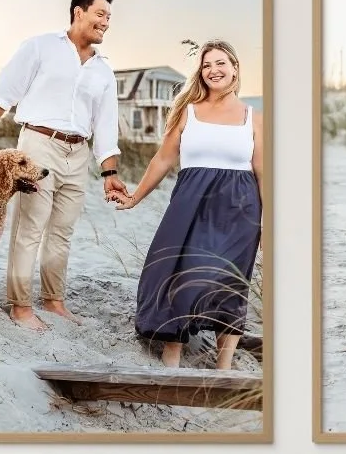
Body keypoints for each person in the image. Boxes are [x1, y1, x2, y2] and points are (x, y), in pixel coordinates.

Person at [0, 0, 126, 329]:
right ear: (78, 12)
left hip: (78, 153)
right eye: (100, 14)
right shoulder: (40, 47)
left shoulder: (103, 72)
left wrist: (109, 171)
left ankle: (53, 301)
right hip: (37, 145)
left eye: (109, 17)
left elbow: (106, 125)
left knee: (62, 232)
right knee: (29, 228)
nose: (106, 23)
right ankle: (20, 306)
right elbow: (4, 93)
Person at [111, 41, 262, 371]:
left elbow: (264, 173)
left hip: (239, 211)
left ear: (235, 68)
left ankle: (224, 366)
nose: (214, 70)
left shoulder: (254, 118)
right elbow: (163, 158)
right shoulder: (187, 111)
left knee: (229, 281)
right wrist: (136, 197)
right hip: (190, 205)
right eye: (207, 65)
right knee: (176, 274)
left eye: (221, 63)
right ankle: (172, 351)